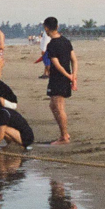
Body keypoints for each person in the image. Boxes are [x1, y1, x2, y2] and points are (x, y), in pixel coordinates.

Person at [43, 16, 76, 144]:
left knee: (59, 106)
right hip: (63, 78)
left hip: (59, 79)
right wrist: (73, 75)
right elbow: (74, 60)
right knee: (53, 105)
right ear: (57, 27)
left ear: (46, 28)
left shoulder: (52, 44)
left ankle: (64, 136)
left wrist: (70, 76)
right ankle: (64, 134)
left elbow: (56, 64)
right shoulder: (66, 41)